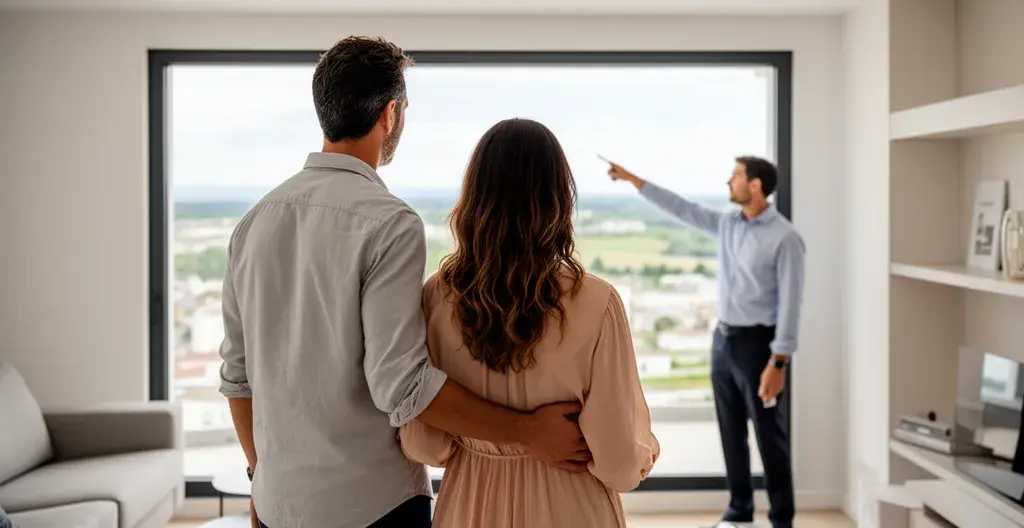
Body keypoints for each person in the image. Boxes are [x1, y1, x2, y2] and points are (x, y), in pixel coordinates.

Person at [217, 37, 591, 528]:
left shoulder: (254, 222)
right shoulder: (389, 223)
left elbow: (237, 377)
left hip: (275, 506)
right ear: (390, 114)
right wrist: (528, 431)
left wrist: (260, 476)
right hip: (374, 508)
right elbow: (402, 386)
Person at [399, 118, 660, 528]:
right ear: (559, 198)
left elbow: (423, 444)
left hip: (471, 504)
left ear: (474, 197)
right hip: (571, 506)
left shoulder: (435, 296)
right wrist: (645, 451)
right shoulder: (598, 302)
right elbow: (619, 462)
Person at [606, 156, 805, 528]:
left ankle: (782, 520)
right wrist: (634, 179)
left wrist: (778, 363)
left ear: (756, 185)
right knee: (731, 430)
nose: (729, 181)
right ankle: (739, 512)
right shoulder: (728, 224)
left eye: (736, 176)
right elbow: (682, 208)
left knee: (769, 437)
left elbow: (792, 304)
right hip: (724, 341)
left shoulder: (785, 237)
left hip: (760, 346)